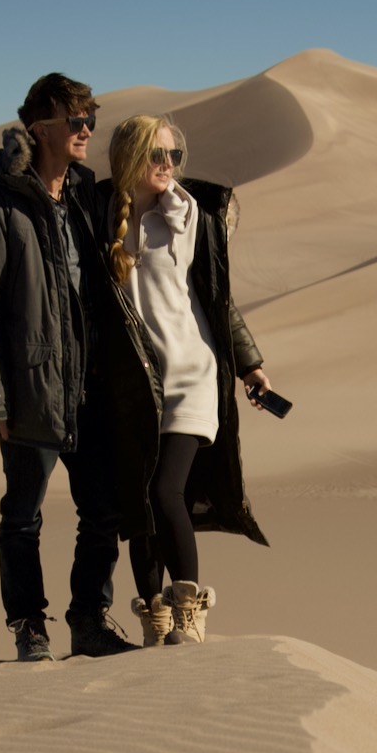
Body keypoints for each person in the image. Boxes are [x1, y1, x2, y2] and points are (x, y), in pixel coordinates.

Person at [0, 73, 137, 661]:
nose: (87, 131)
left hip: (89, 387)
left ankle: (88, 619)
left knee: (103, 510)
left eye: (90, 120)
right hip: (30, 388)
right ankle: (30, 627)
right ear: (40, 130)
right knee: (23, 516)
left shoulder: (83, 198)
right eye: (75, 122)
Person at [98, 114, 272, 647]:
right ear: (130, 157)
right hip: (136, 386)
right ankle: (155, 616)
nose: (167, 166)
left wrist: (249, 363)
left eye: (174, 155)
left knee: (164, 489)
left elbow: (218, 299)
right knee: (139, 501)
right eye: (157, 155)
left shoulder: (193, 215)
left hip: (193, 372)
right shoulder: (99, 217)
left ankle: (189, 605)